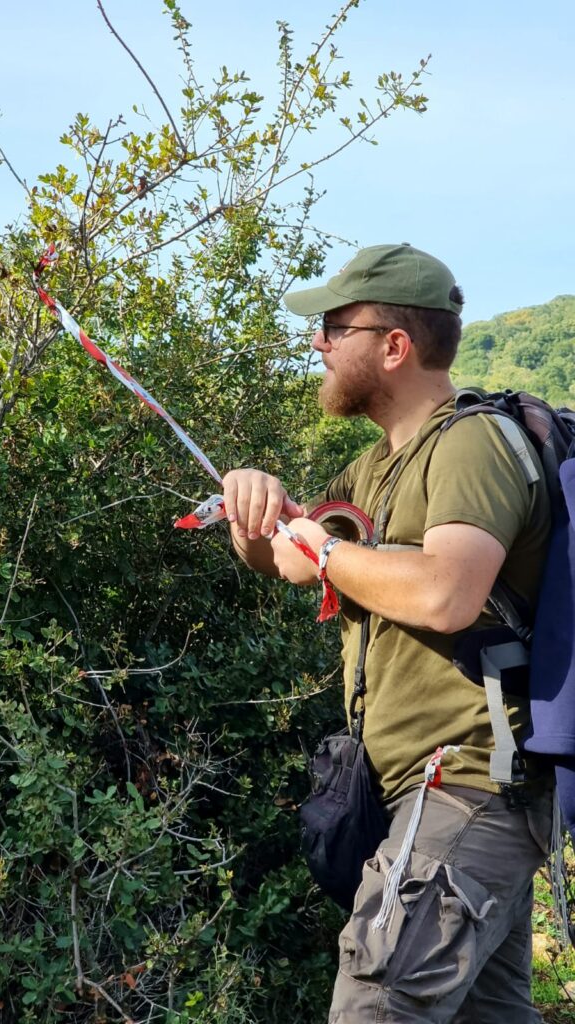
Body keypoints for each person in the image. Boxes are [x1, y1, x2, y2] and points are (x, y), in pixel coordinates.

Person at [222, 243, 554, 1023]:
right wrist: (251, 507)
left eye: (335, 328)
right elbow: (290, 561)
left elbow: (446, 592)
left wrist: (328, 547)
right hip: (425, 792)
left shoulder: (470, 445)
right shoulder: (374, 469)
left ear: (394, 346)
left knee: (377, 1001)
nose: (317, 345)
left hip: (467, 783)